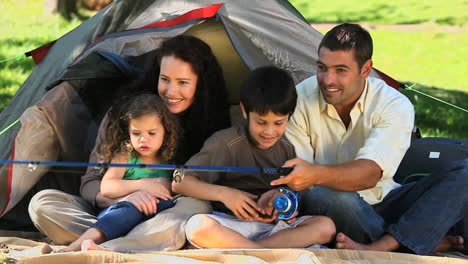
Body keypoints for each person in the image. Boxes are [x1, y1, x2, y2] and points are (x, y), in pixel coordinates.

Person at [271, 23, 468, 255]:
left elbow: (370, 174)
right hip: (334, 204)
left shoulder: (393, 104)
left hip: (387, 199)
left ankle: (384, 245)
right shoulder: (300, 99)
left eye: (340, 70)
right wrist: (300, 182)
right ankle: (415, 240)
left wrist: (313, 173)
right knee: (332, 197)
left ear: (365, 70)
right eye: (322, 67)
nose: (327, 80)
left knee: (464, 173)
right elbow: (304, 184)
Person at [28, 35, 232, 252]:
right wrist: (129, 198)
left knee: (197, 207)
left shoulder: (213, 124)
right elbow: (91, 182)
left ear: (200, 85)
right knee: (42, 204)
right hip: (114, 210)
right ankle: (140, 243)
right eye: (165, 79)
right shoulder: (126, 116)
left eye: (182, 82)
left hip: (164, 214)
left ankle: (109, 246)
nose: (171, 92)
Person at [172, 66, 336, 249]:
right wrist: (225, 194)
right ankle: (263, 254)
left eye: (279, 123)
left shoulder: (289, 147)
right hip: (231, 227)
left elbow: (296, 195)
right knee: (198, 227)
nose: (269, 131)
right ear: (244, 111)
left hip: (273, 230)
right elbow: (180, 181)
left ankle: (256, 252)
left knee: (325, 226)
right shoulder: (226, 143)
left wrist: (280, 197)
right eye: (261, 122)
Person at [60, 94, 179, 252]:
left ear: (166, 131)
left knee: (170, 209)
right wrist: (144, 185)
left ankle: (114, 246)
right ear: (128, 131)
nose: (143, 139)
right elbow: (107, 187)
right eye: (136, 133)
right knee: (129, 210)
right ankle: (76, 246)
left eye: (151, 133)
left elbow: (173, 188)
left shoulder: (168, 159)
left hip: (151, 220)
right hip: (121, 212)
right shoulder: (126, 155)